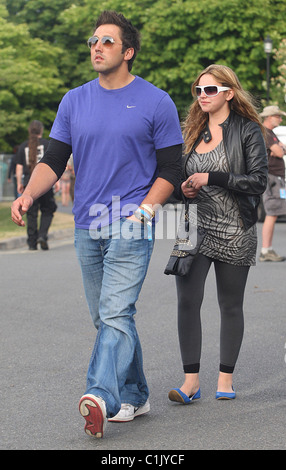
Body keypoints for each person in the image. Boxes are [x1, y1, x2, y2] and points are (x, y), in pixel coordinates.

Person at [11, 11, 183, 437]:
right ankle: (137, 393)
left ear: (127, 51)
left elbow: (171, 168)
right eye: (93, 40)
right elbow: (53, 160)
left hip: (130, 220)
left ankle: (100, 396)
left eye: (106, 41)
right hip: (87, 225)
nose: (96, 46)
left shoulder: (156, 101)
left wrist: (144, 212)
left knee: (115, 312)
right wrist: (30, 193)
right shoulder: (74, 100)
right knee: (109, 317)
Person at [168, 64, 268, 405]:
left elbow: (257, 181)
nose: (202, 96)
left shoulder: (248, 130)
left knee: (230, 304)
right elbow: (178, 185)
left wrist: (213, 177)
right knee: (186, 302)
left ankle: (225, 379)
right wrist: (183, 189)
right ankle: (190, 381)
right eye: (198, 91)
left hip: (235, 228)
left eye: (210, 90)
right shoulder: (192, 131)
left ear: (229, 92)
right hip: (192, 226)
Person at [15, 120, 58, 250]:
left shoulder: (23, 146)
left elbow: (19, 167)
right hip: (45, 183)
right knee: (48, 209)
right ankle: (43, 235)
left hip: (29, 183)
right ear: (41, 130)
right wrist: (57, 182)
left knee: (31, 213)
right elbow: (55, 164)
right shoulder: (46, 144)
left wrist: (19, 183)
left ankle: (32, 242)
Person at [259, 105, 286, 262]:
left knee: (273, 213)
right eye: (278, 116)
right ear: (269, 117)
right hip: (272, 178)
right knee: (272, 213)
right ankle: (265, 250)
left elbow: (282, 149)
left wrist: (280, 148)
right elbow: (279, 152)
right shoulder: (265, 133)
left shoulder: (271, 134)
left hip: (275, 178)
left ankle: (267, 249)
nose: (280, 119)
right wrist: (280, 149)